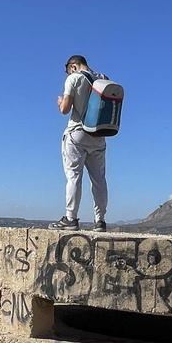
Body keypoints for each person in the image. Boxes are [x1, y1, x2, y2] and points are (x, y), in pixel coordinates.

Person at [51, 54, 109, 231]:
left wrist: (61, 101)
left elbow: (65, 109)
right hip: (99, 135)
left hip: (77, 133)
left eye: (69, 70)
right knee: (99, 180)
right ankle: (100, 221)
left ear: (73, 66)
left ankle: (71, 218)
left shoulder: (74, 79)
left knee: (74, 176)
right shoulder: (104, 78)